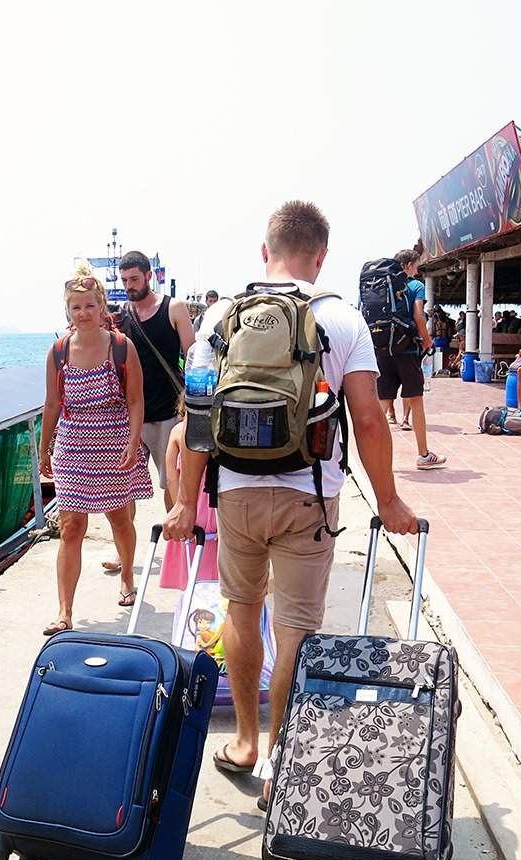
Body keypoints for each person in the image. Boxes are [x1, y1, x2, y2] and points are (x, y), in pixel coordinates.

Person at [163, 200, 419, 811]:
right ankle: (284, 758)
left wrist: (182, 504)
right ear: (321, 256)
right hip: (310, 495)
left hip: (236, 494)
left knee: (242, 611)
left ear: (264, 251)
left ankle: (246, 743)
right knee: (298, 630)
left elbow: (199, 417)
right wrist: (389, 499)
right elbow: (369, 420)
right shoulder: (341, 318)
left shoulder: (223, 315)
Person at [38, 263, 150, 635]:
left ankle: (127, 578)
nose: (83, 314)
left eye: (89, 306)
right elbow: (52, 405)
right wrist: (43, 450)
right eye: (76, 307)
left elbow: (135, 400)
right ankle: (64, 611)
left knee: (120, 518)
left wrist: (134, 441)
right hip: (73, 443)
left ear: (102, 307)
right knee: (71, 526)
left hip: (113, 440)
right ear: (67, 310)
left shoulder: (121, 347)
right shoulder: (58, 352)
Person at [100, 251, 195, 574]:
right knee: (122, 488)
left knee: (174, 485)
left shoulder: (174, 309)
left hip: (169, 413)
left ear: (148, 276)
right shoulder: (119, 316)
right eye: (124, 280)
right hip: (130, 417)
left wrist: (192, 410)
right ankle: (123, 553)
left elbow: (193, 358)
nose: (129, 286)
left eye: (134, 280)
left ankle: (178, 549)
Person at [376, 249, 446, 468]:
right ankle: (424, 455)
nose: (417, 271)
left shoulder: (379, 286)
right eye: (416, 266)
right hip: (406, 351)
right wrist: (427, 341)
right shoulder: (416, 286)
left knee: (381, 404)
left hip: (383, 350)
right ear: (407, 265)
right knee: (416, 401)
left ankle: (375, 457)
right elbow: (418, 316)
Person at [158, 404, 219, 590]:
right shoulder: (219, 433)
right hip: (216, 511)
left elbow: (171, 477)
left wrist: (180, 505)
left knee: (193, 581)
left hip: (192, 513)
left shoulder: (177, 432)